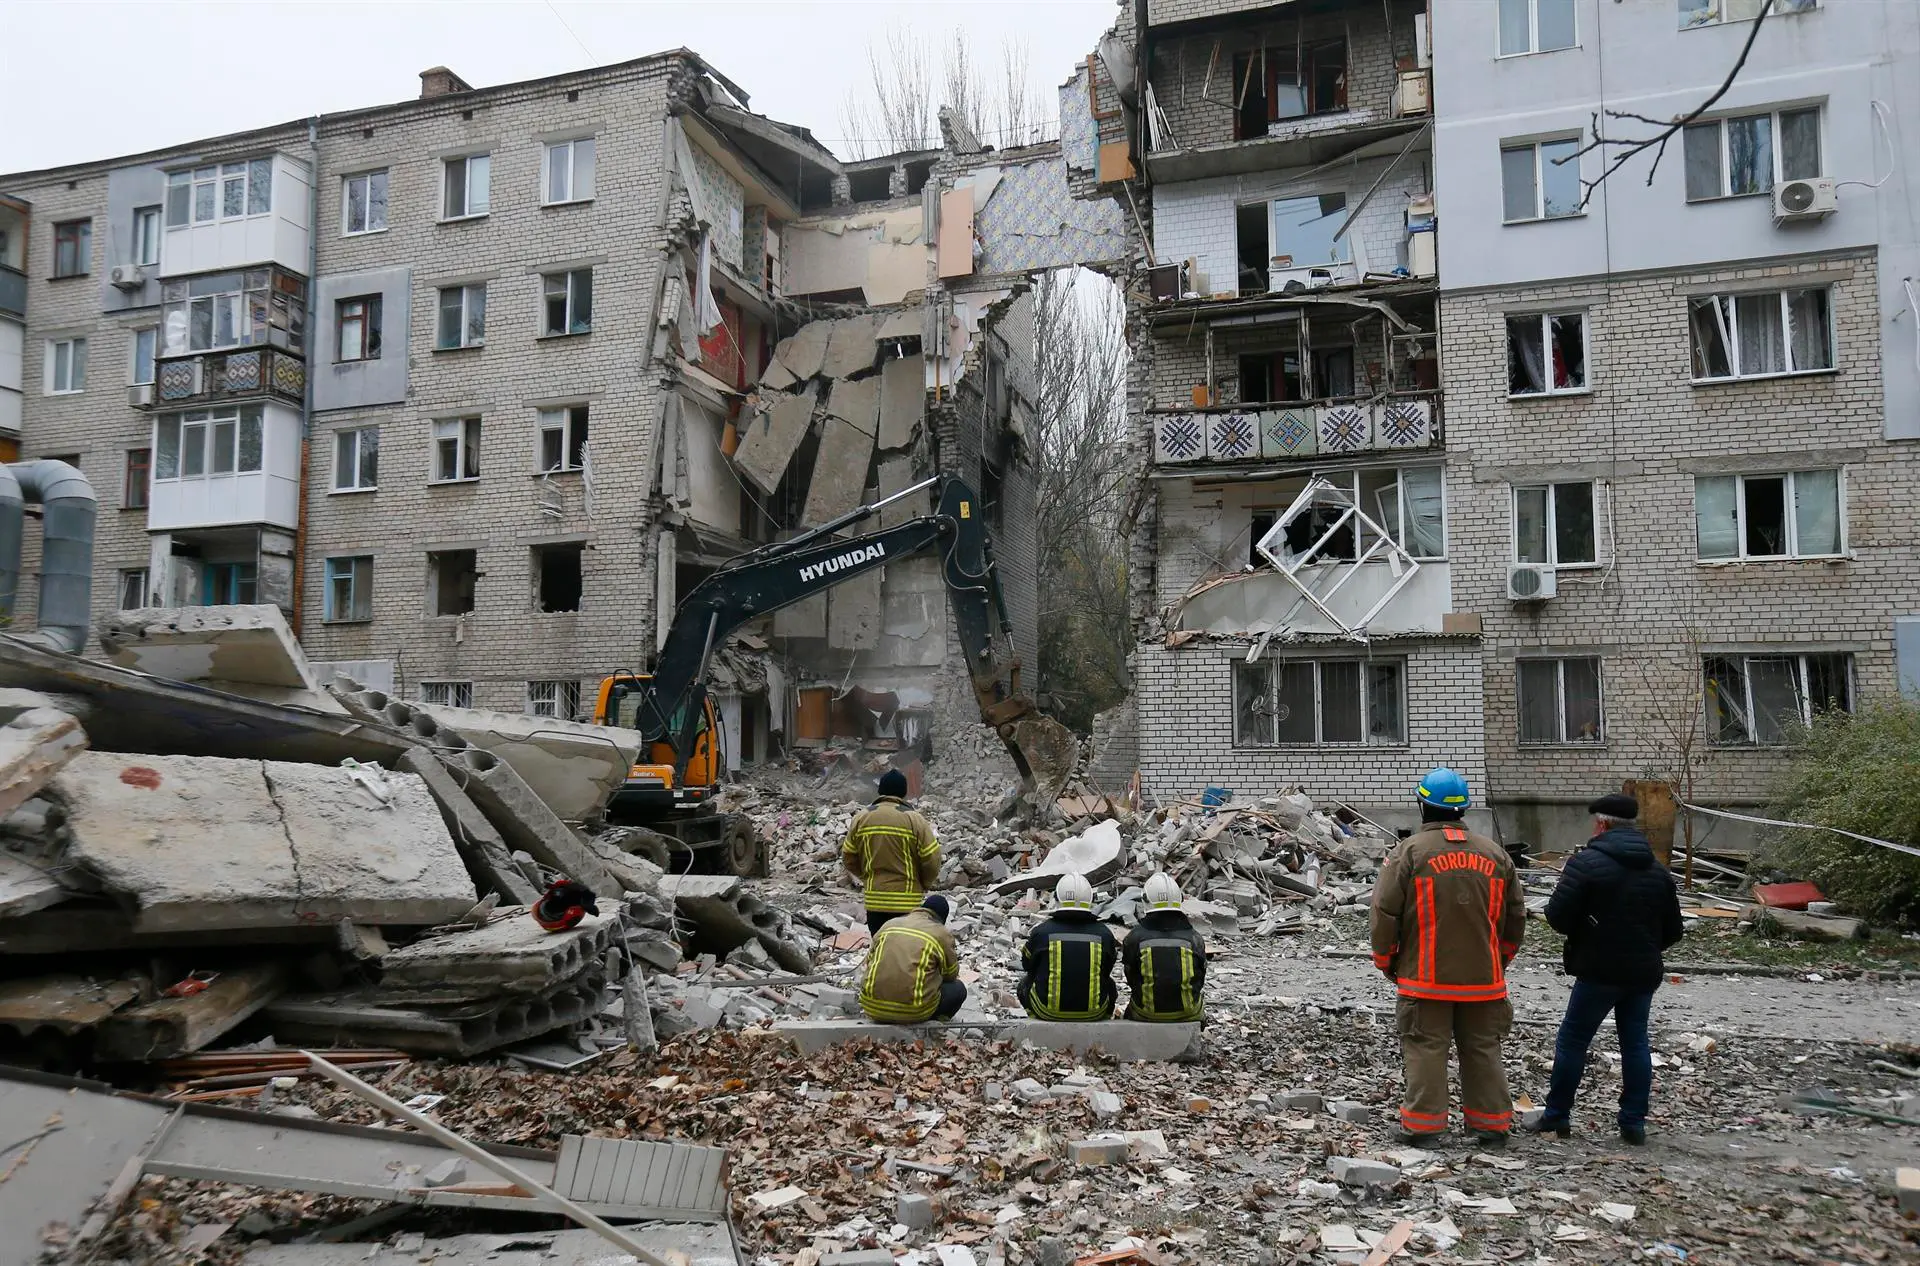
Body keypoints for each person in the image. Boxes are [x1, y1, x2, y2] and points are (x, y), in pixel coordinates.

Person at [1370, 767, 1526, 1146]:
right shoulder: (1495, 855)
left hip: (1425, 981)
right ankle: (1491, 1126)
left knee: (1426, 1049)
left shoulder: (1409, 853)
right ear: (1464, 809)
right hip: (1484, 981)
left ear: (1423, 806)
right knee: (1483, 1050)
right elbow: (1515, 919)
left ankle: (1423, 1128)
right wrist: (1497, 961)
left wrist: (1387, 961)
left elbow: (1384, 914)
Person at [1535, 793, 1685, 1145]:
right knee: (1635, 1043)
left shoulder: (1585, 864)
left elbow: (1557, 916)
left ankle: (1557, 1115)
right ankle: (1633, 1123)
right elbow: (1674, 930)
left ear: (1601, 825)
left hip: (1597, 970)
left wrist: (1588, 932)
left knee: (1573, 1040)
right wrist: (1645, 947)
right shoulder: (1657, 870)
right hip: (1642, 973)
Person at [841, 769, 941, 936]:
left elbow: (849, 857)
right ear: (904, 792)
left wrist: (867, 877)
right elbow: (932, 858)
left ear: (880, 790)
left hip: (875, 902)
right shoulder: (913, 819)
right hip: (907, 903)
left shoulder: (862, 817)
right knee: (903, 947)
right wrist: (925, 883)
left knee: (879, 946)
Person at [1018, 874, 1119, 1021]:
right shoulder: (1104, 934)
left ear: (1057, 898)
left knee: (1024, 984)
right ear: (1090, 900)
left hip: (1046, 1011)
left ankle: (1035, 1019)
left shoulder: (1042, 932)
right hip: (1094, 1013)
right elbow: (1108, 968)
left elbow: (1027, 965)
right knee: (1110, 984)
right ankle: (1106, 1018)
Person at [858, 894, 966, 1023]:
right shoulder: (941, 933)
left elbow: (869, 961)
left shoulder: (889, 924)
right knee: (958, 989)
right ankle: (936, 1022)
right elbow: (950, 975)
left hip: (871, 1007)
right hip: (913, 1012)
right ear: (942, 918)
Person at [1122, 872, 1206, 1023]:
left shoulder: (1134, 938)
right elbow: (1200, 977)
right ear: (1179, 899)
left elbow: (1131, 976)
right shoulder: (1194, 938)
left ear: (1145, 900)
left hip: (1146, 1013)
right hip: (1188, 1013)